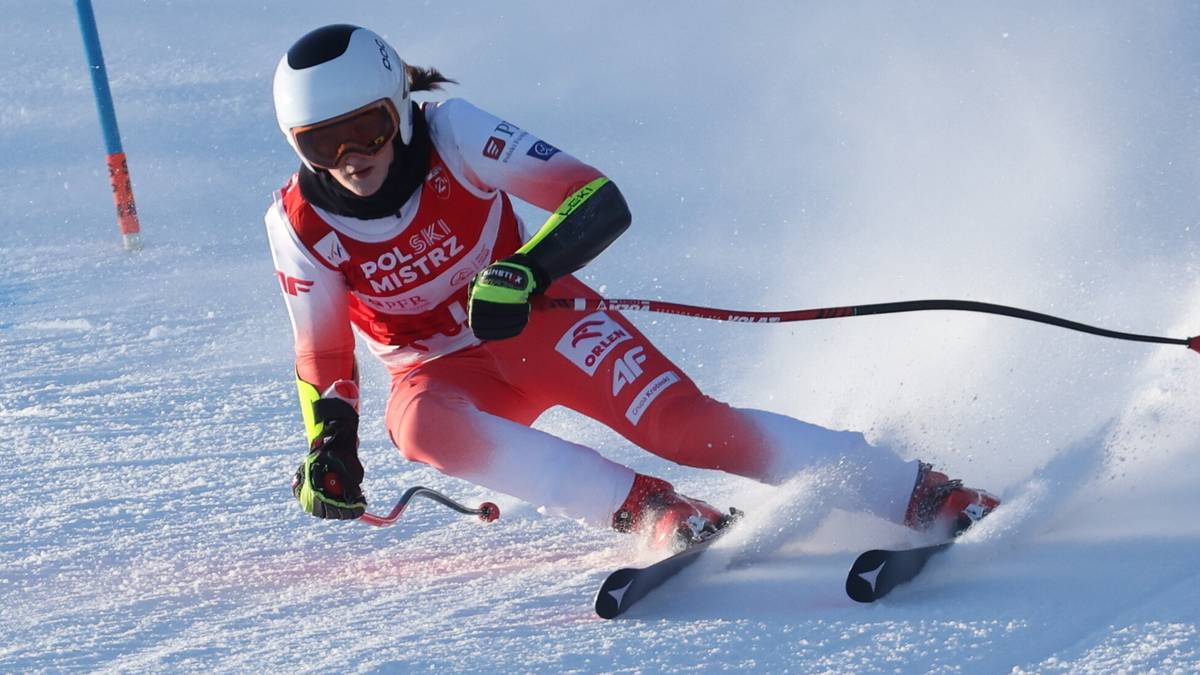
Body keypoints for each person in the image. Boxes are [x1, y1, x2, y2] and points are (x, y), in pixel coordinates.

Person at [265, 24, 999, 551]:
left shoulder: (455, 134)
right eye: (322, 143)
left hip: (534, 321)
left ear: (398, 106)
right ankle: (647, 509)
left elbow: (595, 197)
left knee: (682, 426)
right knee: (419, 423)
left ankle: (918, 491)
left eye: (366, 127)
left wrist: (526, 271)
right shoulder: (298, 223)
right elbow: (322, 353)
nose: (352, 157)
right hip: (438, 368)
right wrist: (330, 441)